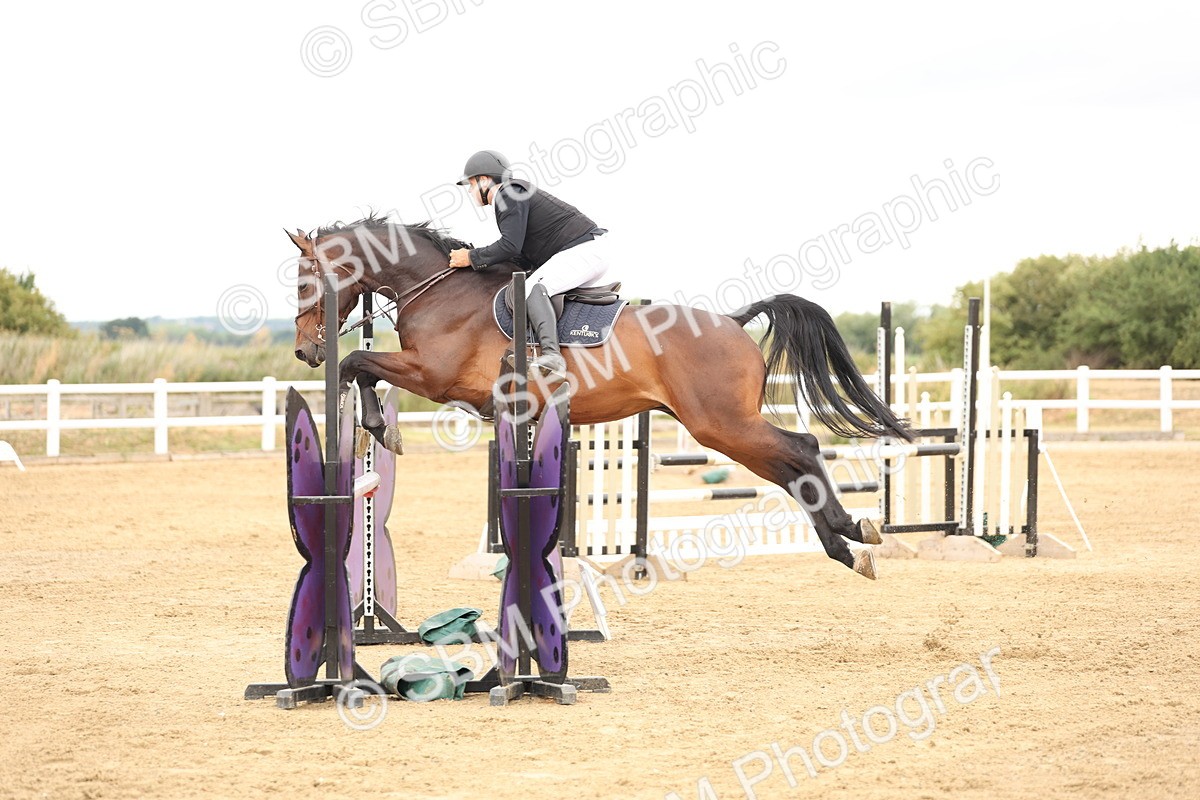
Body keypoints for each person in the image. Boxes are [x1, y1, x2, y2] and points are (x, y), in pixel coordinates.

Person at [448, 149, 609, 379]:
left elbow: (510, 246)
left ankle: (553, 357)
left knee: (533, 288)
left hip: (585, 250)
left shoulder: (508, 193)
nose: (471, 191)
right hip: (585, 250)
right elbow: (520, 252)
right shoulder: (511, 194)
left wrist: (471, 257)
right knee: (536, 285)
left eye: (471, 185)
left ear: (484, 180)